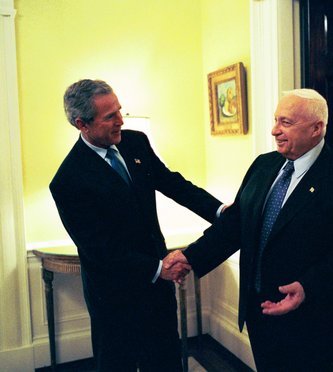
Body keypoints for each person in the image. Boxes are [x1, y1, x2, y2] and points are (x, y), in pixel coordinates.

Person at [166, 89, 333, 371]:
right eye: (276, 120)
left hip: (315, 318)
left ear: (317, 128)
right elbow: (236, 225)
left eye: (286, 123)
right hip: (259, 311)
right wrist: (191, 257)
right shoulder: (263, 165)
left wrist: (308, 286)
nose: (274, 130)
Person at [50, 79, 224, 371]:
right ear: (83, 124)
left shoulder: (135, 141)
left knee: (167, 361)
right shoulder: (68, 181)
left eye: (120, 111)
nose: (120, 121)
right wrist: (159, 269)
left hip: (158, 290)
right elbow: (100, 251)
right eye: (110, 117)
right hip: (114, 298)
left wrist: (219, 210)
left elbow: (173, 184)